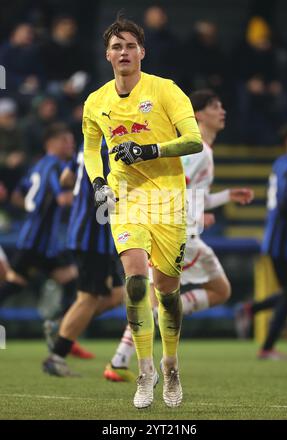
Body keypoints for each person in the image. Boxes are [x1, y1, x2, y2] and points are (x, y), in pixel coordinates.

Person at [83, 15, 202, 408]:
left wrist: (151, 150)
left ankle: (170, 365)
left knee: (167, 292)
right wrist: (99, 182)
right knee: (135, 278)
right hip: (125, 197)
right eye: (117, 47)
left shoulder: (166, 90)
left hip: (168, 198)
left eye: (130, 46)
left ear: (142, 52)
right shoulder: (96, 101)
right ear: (107, 54)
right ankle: (145, 369)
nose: (123, 53)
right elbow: (90, 149)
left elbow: (194, 141)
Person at [105, 89, 254, 380]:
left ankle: (120, 360)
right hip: (178, 232)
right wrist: (193, 214)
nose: (222, 111)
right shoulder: (197, 151)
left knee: (156, 296)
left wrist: (225, 197)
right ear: (198, 115)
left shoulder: (200, 152)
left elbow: (192, 194)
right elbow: (174, 187)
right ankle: (122, 359)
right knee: (217, 290)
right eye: (215, 106)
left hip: (173, 227)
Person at [43, 141, 128, 377]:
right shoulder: (111, 148)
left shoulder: (88, 144)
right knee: (88, 297)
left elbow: (66, 179)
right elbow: (111, 198)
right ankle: (57, 355)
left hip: (88, 234)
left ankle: (62, 325)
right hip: (93, 237)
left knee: (115, 295)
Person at [0, 123, 78, 339]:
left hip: (36, 240)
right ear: (50, 143)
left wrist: (34, 210)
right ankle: (58, 327)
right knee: (14, 285)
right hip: (39, 243)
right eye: (66, 141)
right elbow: (63, 198)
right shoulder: (55, 167)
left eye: (71, 141)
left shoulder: (37, 166)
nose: (70, 145)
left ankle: (60, 328)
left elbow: (17, 196)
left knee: (69, 281)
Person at [235, 121, 287, 359]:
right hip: (284, 241)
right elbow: (285, 204)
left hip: (286, 240)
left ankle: (251, 309)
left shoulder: (284, 164)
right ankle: (267, 346)